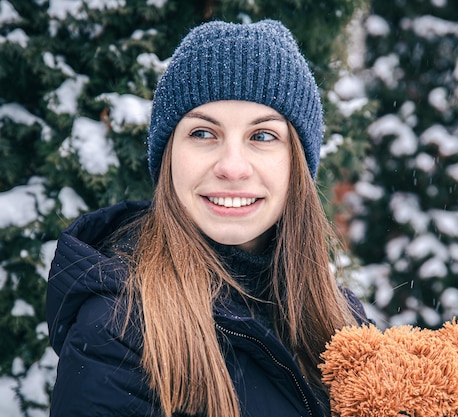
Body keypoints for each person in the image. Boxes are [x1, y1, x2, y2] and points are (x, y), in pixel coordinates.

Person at [46, 19, 368, 417]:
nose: (233, 167)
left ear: (296, 165)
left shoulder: (341, 318)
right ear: (168, 158)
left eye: (262, 136)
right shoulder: (119, 331)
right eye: (202, 133)